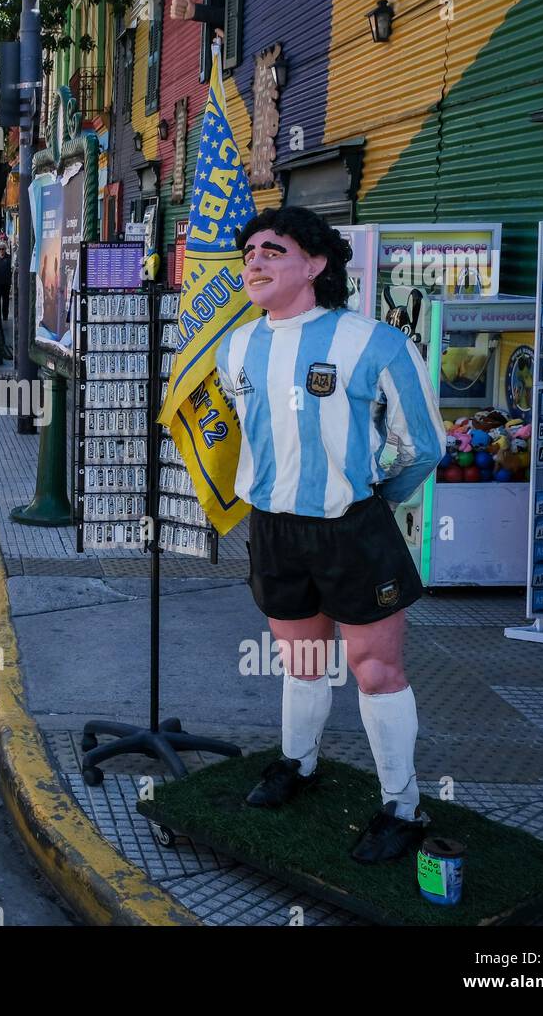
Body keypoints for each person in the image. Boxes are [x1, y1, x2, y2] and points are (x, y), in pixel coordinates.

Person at [215, 205, 443, 864]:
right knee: (303, 663)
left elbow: (421, 448)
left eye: (272, 250)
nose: (254, 260)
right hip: (275, 528)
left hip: (352, 530)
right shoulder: (238, 348)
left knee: (376, 671)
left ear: (315, 264)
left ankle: (403, 806)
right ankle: (299, 764)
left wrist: (369, 503)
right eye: (249, 250)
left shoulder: (376, 343)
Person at [0, 234, 12, 322]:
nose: (1, 251)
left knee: (5, 301)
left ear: (5, 249)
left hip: (6, 283)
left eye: (2, 249)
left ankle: (5, 316)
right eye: (0, 249)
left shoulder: (9, 258)